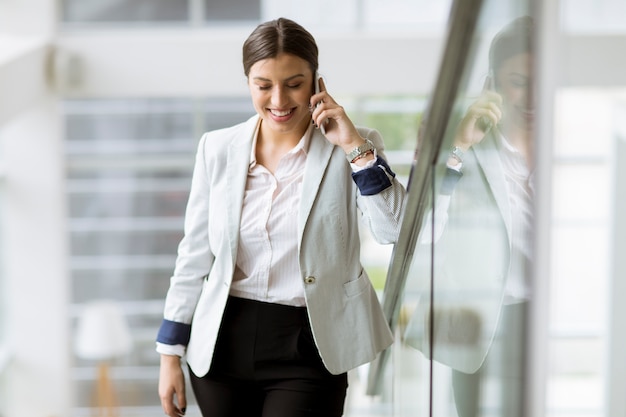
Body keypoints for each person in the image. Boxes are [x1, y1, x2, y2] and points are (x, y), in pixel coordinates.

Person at [155, 17, 406, 417]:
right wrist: (170, 355)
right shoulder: (217, 148)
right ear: (248, 82)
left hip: (310, 342)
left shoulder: (356, 145)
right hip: (222, 342)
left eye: (294, 83)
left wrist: (353, 146)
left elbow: (394, 230)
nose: (278, 100)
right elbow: (194, 255)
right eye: (263, 85)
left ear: (316, 82)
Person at [404, 16, 534, 417]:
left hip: (541, 316)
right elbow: (420, 230)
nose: (532, 96)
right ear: (492, 83)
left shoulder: (576, 142)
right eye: (519, 81)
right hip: (482, 322)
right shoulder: (457, 141)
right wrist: (458, 145)